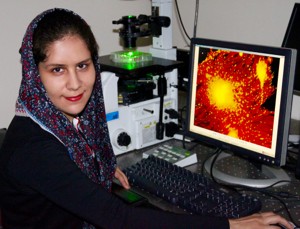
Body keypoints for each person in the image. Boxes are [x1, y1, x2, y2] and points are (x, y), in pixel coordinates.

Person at [0, 8, 294, 229]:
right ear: (33, 75)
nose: (75, 83)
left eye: (82, 65)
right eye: (57, 70)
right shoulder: (34, 149)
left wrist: (94, 167)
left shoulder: (53, 118)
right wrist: (231, 224)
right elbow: (121, 220)